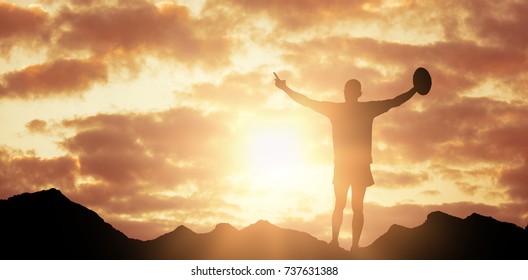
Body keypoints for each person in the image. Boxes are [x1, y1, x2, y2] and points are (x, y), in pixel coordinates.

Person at [275, 75, 417, 251]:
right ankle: (352, 245)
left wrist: (285, 89)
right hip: (356, 166)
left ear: (347, 93)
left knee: (342, 205)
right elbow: (394, 101)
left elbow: (307, 102)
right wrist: (414, 89)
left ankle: (339, 242)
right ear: (359, 93)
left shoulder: (337, 110)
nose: (348, 93)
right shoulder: (367, 109)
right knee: (355, 207)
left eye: (349, 91)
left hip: (345, 166)